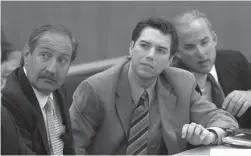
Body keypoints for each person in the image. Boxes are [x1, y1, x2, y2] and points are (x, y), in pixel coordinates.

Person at [69, 18, 238, 155]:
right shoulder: (95, 89)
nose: (150, 56)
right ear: (131, 48)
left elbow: (224, 119)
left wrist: (209, 135)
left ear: (170, 60)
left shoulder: (182, 83)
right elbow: (70, 148)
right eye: (144, 46)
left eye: (161, 50)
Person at [1, 24, 78, 155]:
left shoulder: (57, 91)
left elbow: (68, 149)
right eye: (45, 55)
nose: (52, 69)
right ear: (26, 55)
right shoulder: (10, 101)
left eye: (62, 60)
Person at [171, 9, 251, 128]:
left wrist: (249, 94)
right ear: (177, 52)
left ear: (214, 39)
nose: (201, 53)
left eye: (204, 42)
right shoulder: (172, 78)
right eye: (190, 47)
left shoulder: (235, 60)